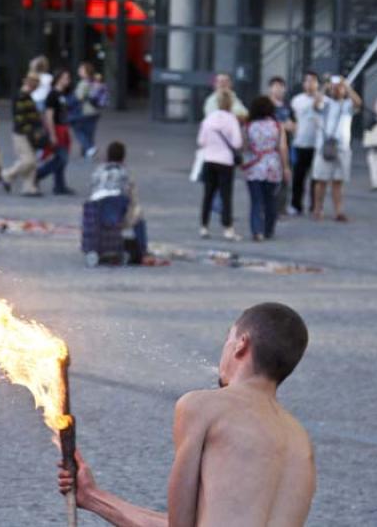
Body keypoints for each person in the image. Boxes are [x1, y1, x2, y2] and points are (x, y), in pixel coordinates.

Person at [57, 302, 315, 526]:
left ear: (241, 345)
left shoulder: (203, 407)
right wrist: (92, 496)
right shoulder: (300, 441)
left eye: (228, 339)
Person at [311, 75, 362, 222]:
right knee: (321, 181)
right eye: (334, 87)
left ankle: (339, 211)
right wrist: (325, 88)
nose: (336, 89)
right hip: (325, 147)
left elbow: (358, 103)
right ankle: (317, 209)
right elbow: (315, 104)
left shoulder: (347, 105)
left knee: (338, 181)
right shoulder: (325, 102)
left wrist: (346, 86)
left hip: (342, 148)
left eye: (339, 87)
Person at [197, 89, 243, 240]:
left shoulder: (209, 118)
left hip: (209, 159)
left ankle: (204, 226)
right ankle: (227, 228)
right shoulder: (232, 120)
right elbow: (237, 142)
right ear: (231, 104)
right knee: (226, 196)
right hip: (225, 161)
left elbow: (201, 141)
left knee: (208, 195)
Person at [242, 96, 291, 241]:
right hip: (272, 166)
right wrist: (286, 167)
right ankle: (269, 229)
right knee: (271, 200)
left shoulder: (248, 126)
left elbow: (244, 146)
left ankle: (257, 230)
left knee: (256, 200)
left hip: (254, 167)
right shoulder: (277, 125)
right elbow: (282, 147)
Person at [89, 141, 147, 257]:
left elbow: (92, 188)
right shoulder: (124, 172)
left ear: (107, 156)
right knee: (138, 214)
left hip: (96, 213)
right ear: (123, 157)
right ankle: (142, 249)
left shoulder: (98, 171)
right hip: (116, 212)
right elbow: (132, 196)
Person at [1, 72, 44, 196]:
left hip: (27, 133)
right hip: (22, 133)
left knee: (32, 161)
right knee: (28, 160)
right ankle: (8, 175)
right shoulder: (21, 96)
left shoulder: (27, 96)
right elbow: (21, 118)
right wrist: (32, 131)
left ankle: (28, 187)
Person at [36, 69, 75, 195]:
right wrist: (52, 134)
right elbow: (49, 116)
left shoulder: (62, 94)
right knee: (61, 158)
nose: (68, 81)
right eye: (65, 78)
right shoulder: (52, 95)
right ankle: (38, 175)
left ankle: (59, 185)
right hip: (57, 129)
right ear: (59, 79)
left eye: (68, 78)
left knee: (61, 158)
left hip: (63, 128)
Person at [290, 71, 323, 215]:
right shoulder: (297, 100)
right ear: (303, 84)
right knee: (298, 177)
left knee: (316, 177)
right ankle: (296, 205)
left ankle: (315, 206)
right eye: (307, 81)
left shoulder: (323, 100)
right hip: (300, 143)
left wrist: (320, 95)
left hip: (317, 144)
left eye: (313, 81)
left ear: (317, 83)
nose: (310, 84)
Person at [268, 76, 296, 216]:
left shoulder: (288, 107)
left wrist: (289, 126)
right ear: (270, 88)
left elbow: (294, 125)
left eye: (281, 86)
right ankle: (269, 206)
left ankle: (282, 207)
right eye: (275, 86)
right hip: (269, 148)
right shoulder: (266, 105)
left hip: (287, 146)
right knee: (269, 178)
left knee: (286, 176)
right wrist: (283, 125)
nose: (278, 89)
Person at [71, 62, 101, 159]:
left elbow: (79, 97)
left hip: (85, 111)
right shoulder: (95, 81)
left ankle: (89, 148)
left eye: (81, 69)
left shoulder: (83, 83)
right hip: (95, 111)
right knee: (89, 132)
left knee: (78, 130)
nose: (79, 71)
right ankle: (88, 152)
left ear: (86, 72)